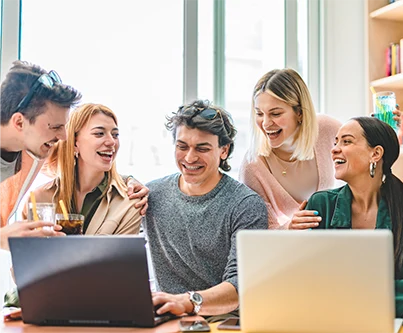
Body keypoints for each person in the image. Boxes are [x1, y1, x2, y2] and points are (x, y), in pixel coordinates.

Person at [0, 61, 148, 251]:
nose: (64, 137)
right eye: (55, 127)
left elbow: (65, 166)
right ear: (19, 122)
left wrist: (128, 181)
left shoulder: (33, 152)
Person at [145, 100, 267, 318]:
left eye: (202, 148)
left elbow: (240, 285)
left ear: (224, 150)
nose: (190, 158)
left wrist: (186, 302)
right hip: (166, 318)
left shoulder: (245, 204)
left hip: (224, 320)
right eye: (182, 147)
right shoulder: (152, 195)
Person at [305, 116, 403, 329]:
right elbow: (306, 277)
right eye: (335, 142)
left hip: (389, 323)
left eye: (346, 141)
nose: (334, 149)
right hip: (327, 320)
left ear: (376, 153)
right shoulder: (320, 205)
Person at [240, 68, 399, 229]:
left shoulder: (325, 128)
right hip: (293, 247)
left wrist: (381, 128)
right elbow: (259, 234)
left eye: (275, 114)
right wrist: (289, 228)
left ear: (300, 113)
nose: (266, 123)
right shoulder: (253, 167)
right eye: (259, 113)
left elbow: (360, 146)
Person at [25, 103, 142, 235]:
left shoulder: (129, 202)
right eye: (99, 133)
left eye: (115, 135)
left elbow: (124, 255)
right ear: (74, 143)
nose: (111, 142)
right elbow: (28, 251)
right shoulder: (39, 200)